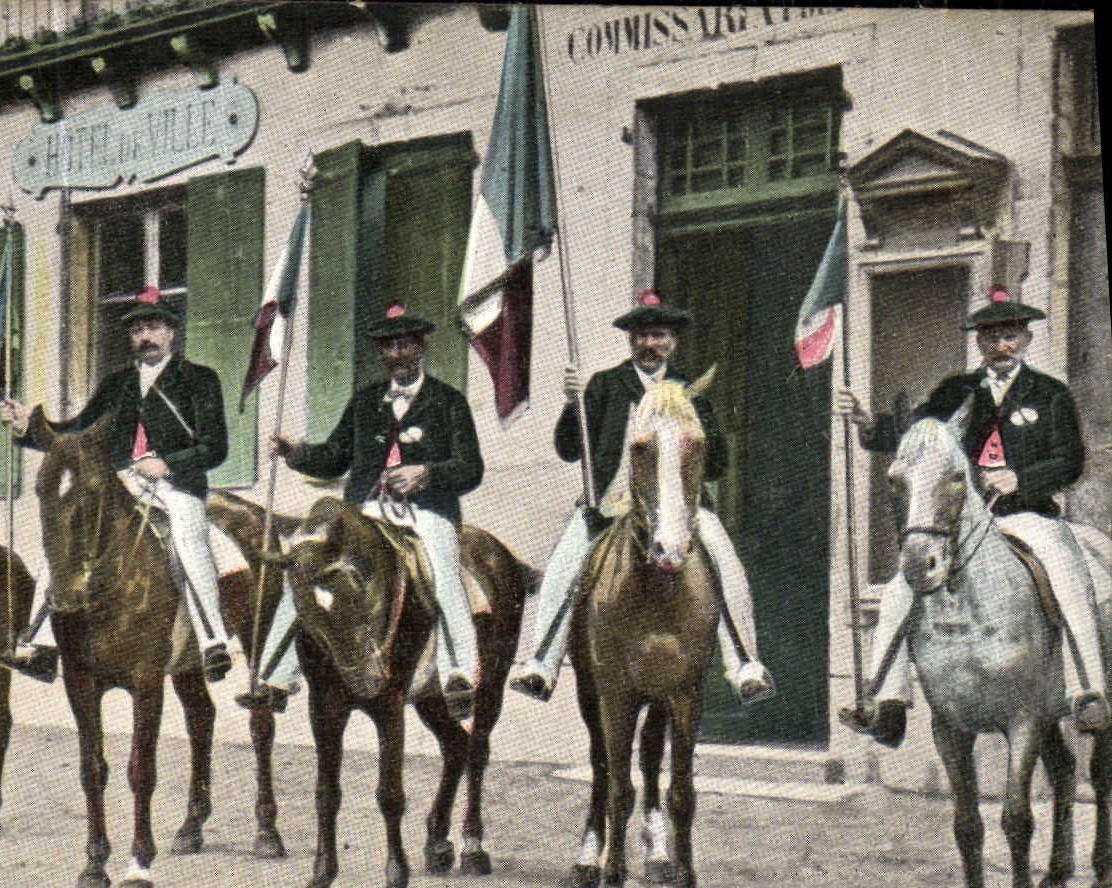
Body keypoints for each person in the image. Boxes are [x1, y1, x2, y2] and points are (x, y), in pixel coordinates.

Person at [836, 285, 1109, 742]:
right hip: (962, 521)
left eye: (1011, 335)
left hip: (1027, 515)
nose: (1002, 345)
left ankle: (1088, 694)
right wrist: (868, 424)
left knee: (1068, 575)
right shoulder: (954, 391)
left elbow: (1071, 460)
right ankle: (885, 703)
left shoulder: (1049, 393)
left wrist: (1020, 477)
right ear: (979, 342)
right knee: (899, 591)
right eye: (991, 336)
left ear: (1025, 338)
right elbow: (915, 436)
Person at [507, 290, 772, 706]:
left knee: (726, 565)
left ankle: (745, 665)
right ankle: (543, 663)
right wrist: (571, 403)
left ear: (673, 341)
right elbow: (567, 448)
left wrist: (698, 441)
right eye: (642, 336)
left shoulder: (690, 392)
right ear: (630, 341)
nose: (651, 345)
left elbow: (718, 463)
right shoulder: (606, 386)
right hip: (611, 505)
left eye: (660, 336)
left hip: (680, 507)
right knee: (564, 565)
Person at [237, 302, 484, 719]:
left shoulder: (448, 401)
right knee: (305, 567)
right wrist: (296, 452)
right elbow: (336, 457)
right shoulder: (366, 401)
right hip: (365, 510)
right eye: (389, 347)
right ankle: (273, 677)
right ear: (382, 354)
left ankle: (459, 672)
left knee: (442, 570)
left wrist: (426, 473)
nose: (398, 354)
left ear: (421, 347)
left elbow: (470, 468)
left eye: (406, 344)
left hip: (423, 511)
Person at [0, 286, 233, 684]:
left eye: (154, 326)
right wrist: (27, 427)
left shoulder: (199, 379)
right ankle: (36, 644)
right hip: (121, 480)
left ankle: (213, 642)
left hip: (177, 485)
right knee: (63, 536)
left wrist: (168, 463)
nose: (145, 336)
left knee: (187, 539)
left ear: (171, 332)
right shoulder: (118, 383)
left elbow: (216, 447)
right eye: (138, 329)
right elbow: (75, 432)